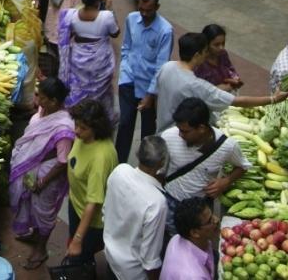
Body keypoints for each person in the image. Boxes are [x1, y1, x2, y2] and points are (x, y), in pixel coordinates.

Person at [154, 32, 288, 132]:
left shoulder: (167, 67)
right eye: (205, 52)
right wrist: (273, 99)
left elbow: (157, 94)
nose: (206, 55)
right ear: (197, 55)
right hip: (178, 136)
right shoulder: (195, 84)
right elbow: (237, 101)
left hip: (161, 129)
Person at [9, 77, 75, 270]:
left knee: (44, 213)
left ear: (54, 101)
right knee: (31, 205)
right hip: (33, 172)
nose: (38, 99)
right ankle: (35, 235)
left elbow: (62, 162)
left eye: (42, 97)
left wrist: (43, 181)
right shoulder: (43, 111)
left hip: (48, 177)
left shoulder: (64, 128)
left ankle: (41, 249)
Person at [162, 98, 250, 235]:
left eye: (185, 131)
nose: (180, 135)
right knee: (175, 239)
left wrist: (226, 181)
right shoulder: (168, 137)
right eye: (179, 129)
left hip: (201, 209)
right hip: (172, 203)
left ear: (201, 128)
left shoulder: (227, 146)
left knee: (200, 241)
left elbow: (243, 166)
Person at [102, 136, 170, 280]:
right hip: (133, 272)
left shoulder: (120, 171)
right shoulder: (157, 203)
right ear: (162, 162)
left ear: (137, 154)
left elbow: (106, 211)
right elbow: (150, 259)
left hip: (111, 256)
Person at [63, 100, 118, 267]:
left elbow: (93, 203)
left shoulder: (101, 157)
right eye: (76, 125)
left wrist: (78, 239)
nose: (77, 131)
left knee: (80, 260)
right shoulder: (83, 137)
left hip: (91, 220)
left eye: (83, 128)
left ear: (96, 128)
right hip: (76, 204)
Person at [58, 0, 120, 120]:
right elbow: (115, 32)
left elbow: (68, 36)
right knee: (101, 94)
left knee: (80, 89)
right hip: (100, 63)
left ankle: (80, 118)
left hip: (78, 59)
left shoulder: (71, 16)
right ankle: (99, 119)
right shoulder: (106, 16)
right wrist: (110, 8)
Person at [162, 197, 218, 280]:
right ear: (195, 233)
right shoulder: (194, 276)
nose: (216, 220)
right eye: (210, 221)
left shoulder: (176, 238)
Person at [195, 24, 243, 91]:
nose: (221, 48)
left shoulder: (223, 54)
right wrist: (218, 89)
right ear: (206, 44)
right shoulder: (199, 63)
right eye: (216, 45)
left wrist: (235, 78)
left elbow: (230, 68)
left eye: (223, 43)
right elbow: (198, 90)